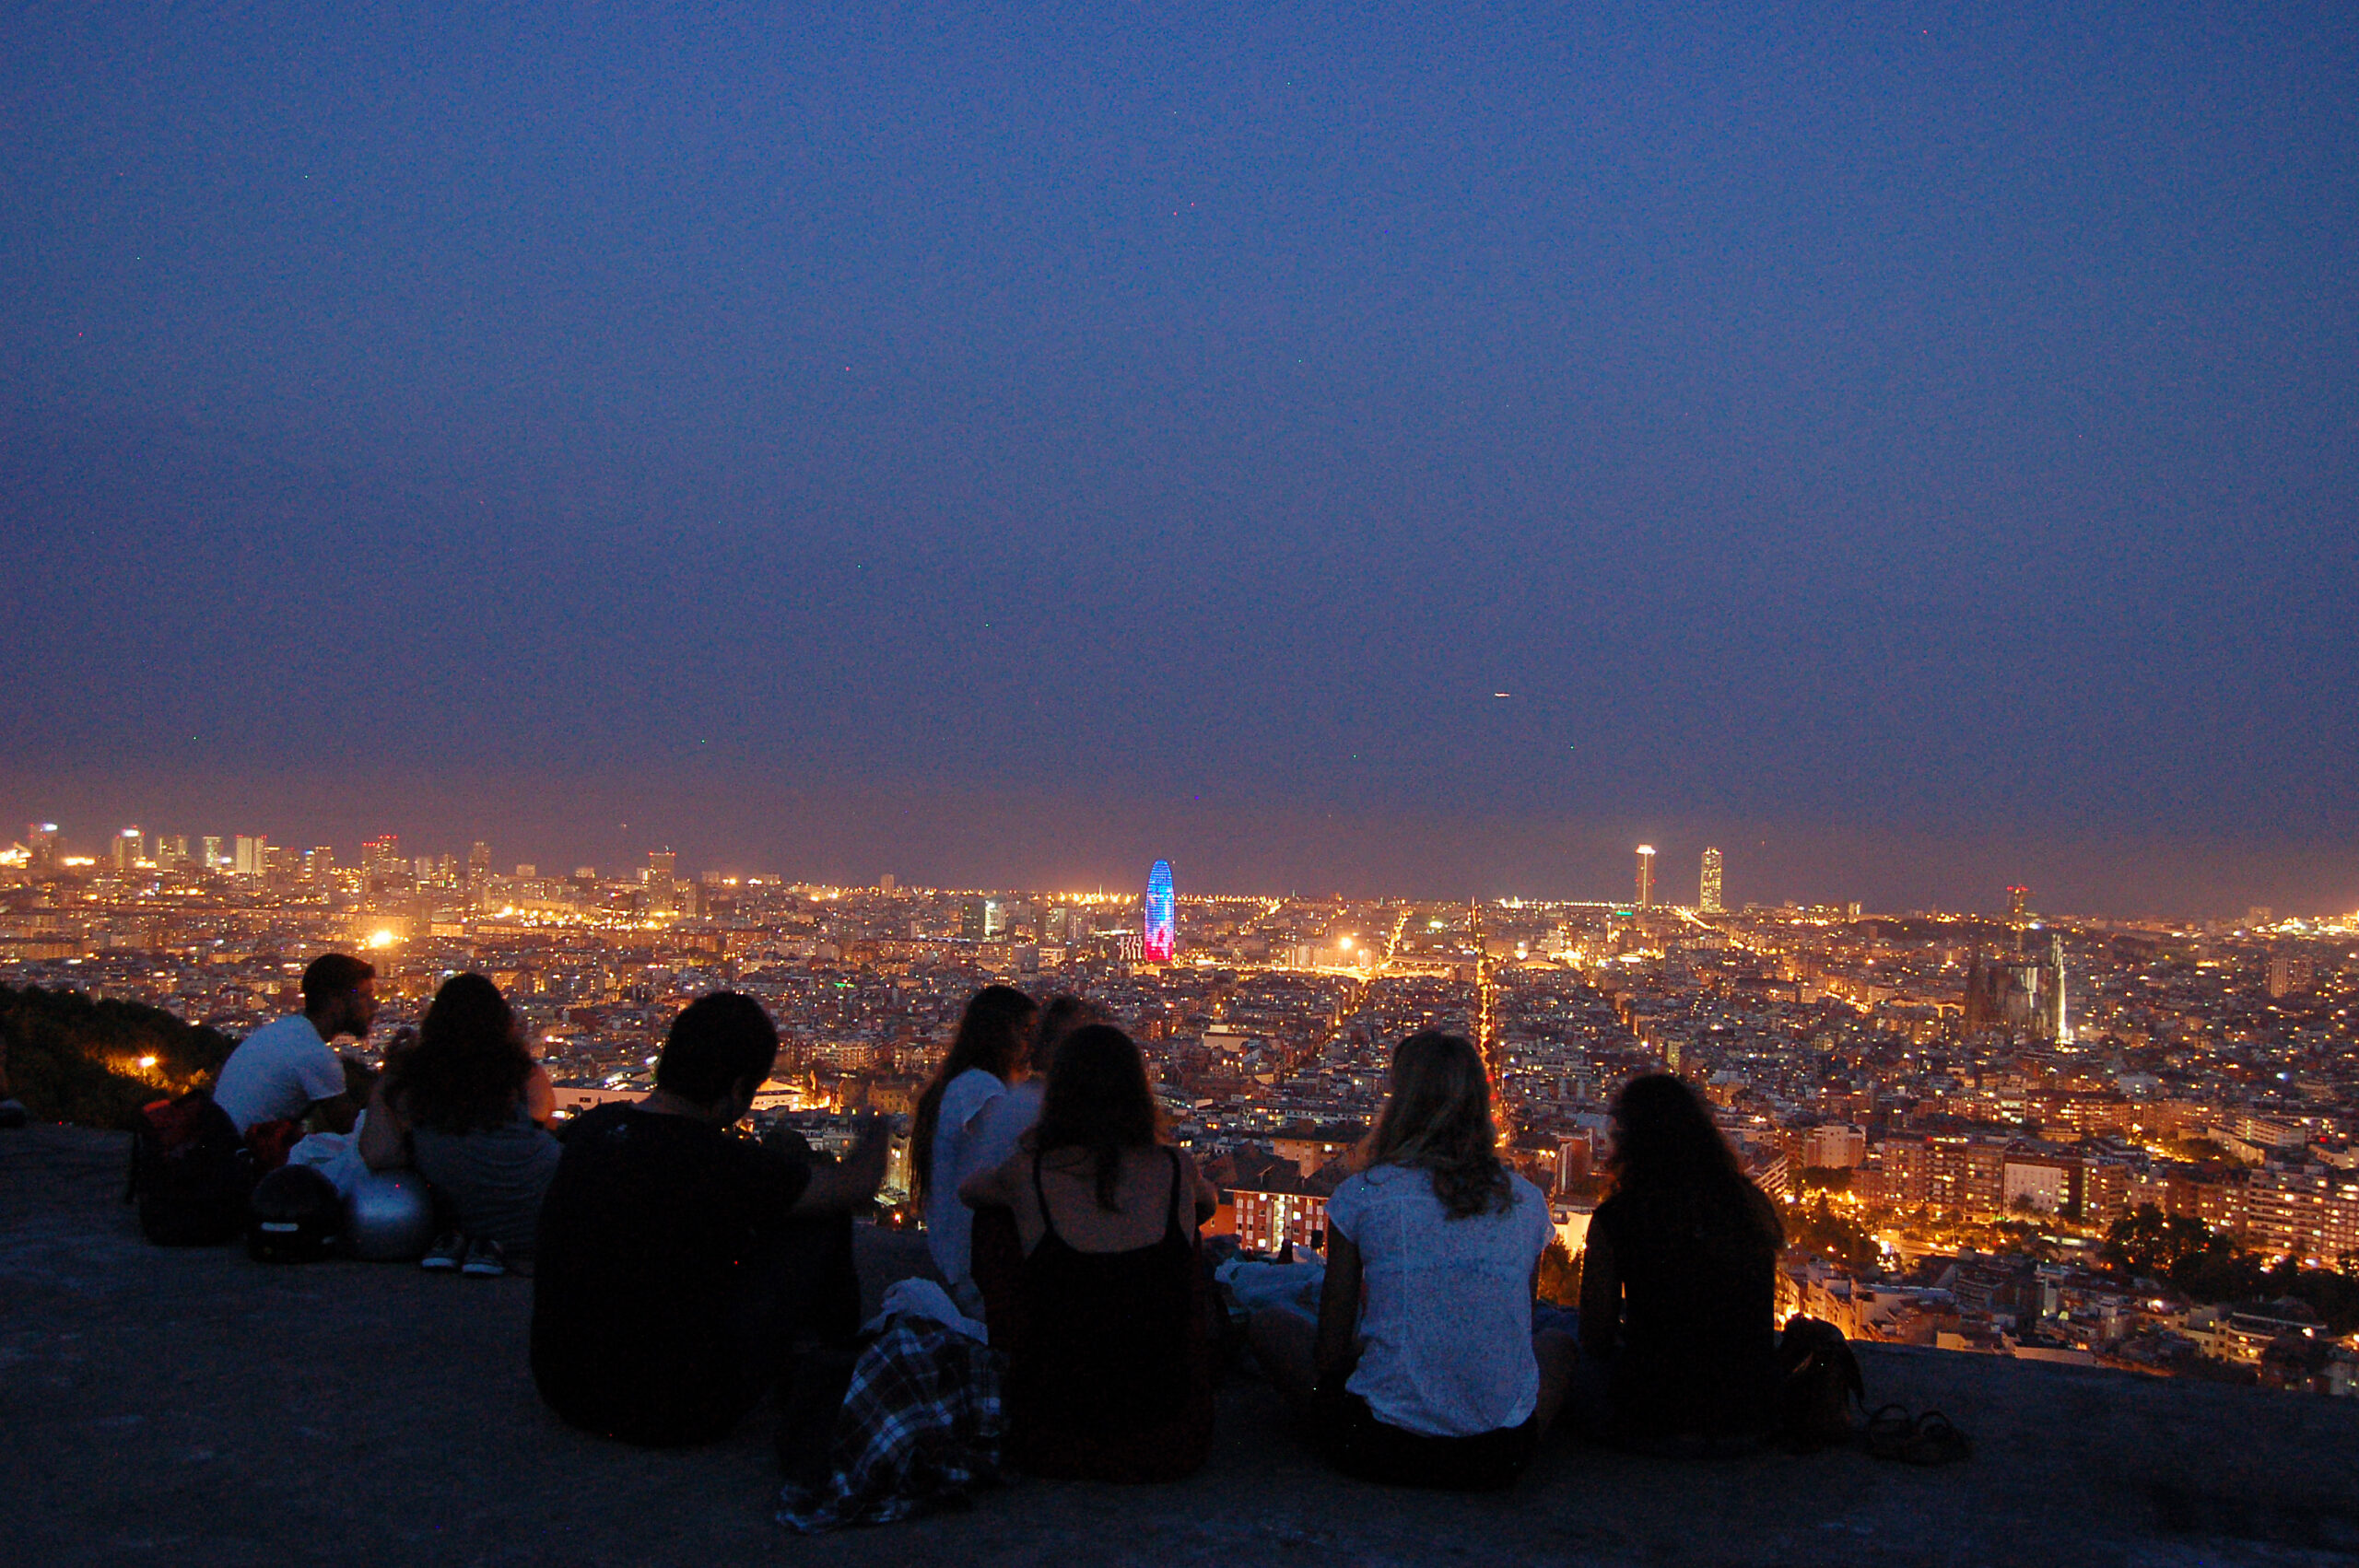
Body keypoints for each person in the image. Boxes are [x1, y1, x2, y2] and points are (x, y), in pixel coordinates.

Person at [531, 991, 890, 1447]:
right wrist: (880, 1126)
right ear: (737, 1089)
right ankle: (828, 1372)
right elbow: (853, 1188)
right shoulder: (718, 1163)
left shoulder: (594, 1130)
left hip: (565, 1388)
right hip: (679, 1408)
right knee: (819, 1216)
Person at [1250, 1031, 1575, 1491]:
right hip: (1499, 1457)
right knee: (1559, 1346)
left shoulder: (1364, 1195)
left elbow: (1329, 1353)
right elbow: (1518, 1332)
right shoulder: (1525, 1201)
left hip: (1377, 1447)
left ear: (1399, 1104)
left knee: (1271, 1325)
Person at [959, 1024, 1217, 1480]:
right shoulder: (1175, 1166)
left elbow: (970, 1191)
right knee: (1186, 1227)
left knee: (997, 1223)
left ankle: (1012, 1359)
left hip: (1052, 1440)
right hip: (1170, 1441)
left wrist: (1034, 1153)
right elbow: (1208, 1203)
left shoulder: (1029, 1171)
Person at [1579, 1072, 1783, 1450]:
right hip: (1750, 1420)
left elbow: (1594, 1339)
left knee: (1553, 1337)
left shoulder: (1618, 1218)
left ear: (1630, 1141)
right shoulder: (1749, 1207)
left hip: (1652, 1421)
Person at [358, 972, 560, 1276]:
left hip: (463, 1219)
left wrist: (385, 1086)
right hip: (545, 1217)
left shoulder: (415, 1084)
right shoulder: (523, 1073)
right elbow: (544, 1120)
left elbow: (378, 1154)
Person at [910, 985, 1037, 1313]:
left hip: (958, 1264)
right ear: (998, 1034)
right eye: (1025, 1031)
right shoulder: (978, 1086)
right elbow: (1010, 1140)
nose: (1031, 1045)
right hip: (972, 1273)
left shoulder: (962, 1082)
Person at [211, 954, 376, 1135]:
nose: (374, 1004)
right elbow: (354, 1131)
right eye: (365, 996)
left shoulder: (287, 1030)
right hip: (241, 1156)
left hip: (224, 1142)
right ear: (334, 1001)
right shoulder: (315, 1054)